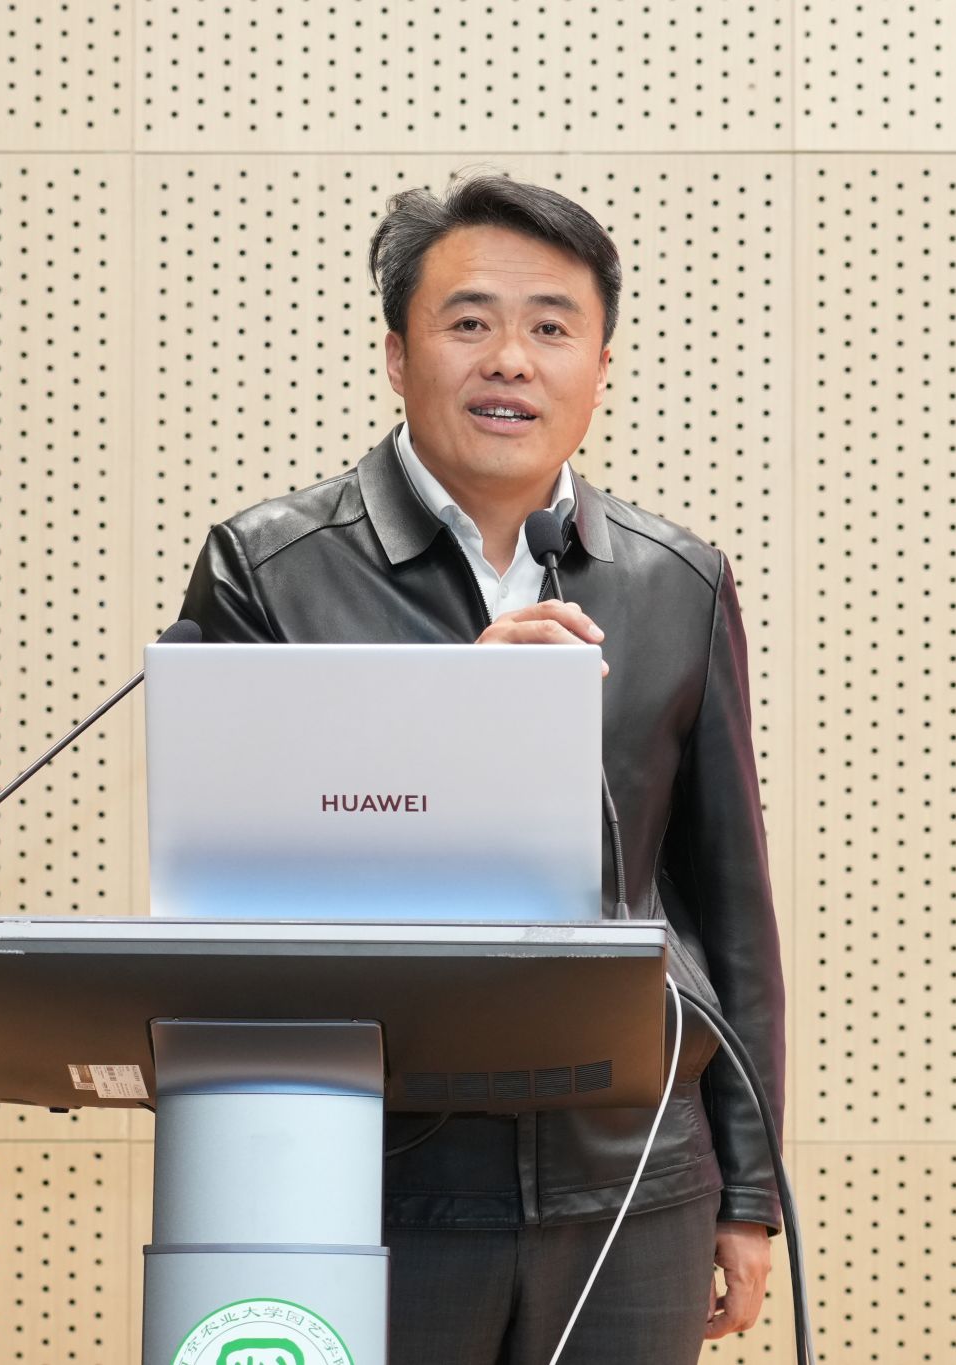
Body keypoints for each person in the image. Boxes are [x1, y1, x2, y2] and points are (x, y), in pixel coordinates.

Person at [174, 167, 786, 1365]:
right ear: (396, 356)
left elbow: (726, 906)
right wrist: (450, 715)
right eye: (468, 323)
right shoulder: (269, 568)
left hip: (635, 1180)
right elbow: (229, 888)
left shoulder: (678, 580)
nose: (510, 360)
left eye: (551, 328)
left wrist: (747, 1192)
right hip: (368, 1176)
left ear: (600, 369)